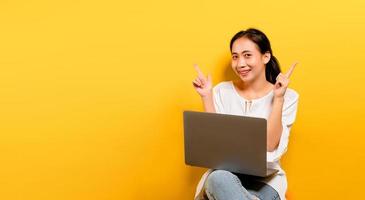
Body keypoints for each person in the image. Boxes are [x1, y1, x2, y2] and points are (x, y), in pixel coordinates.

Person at [191, 28, 299, 200]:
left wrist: (278, 98)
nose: (240, 63)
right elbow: (214, 145)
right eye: (235, 56)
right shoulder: (221, 91)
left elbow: (270, 145)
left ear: (266, 57)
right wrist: (207, 97)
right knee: (218, 179)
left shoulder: (289, 96)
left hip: (266, 181)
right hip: (224, 177)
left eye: (247, 55)